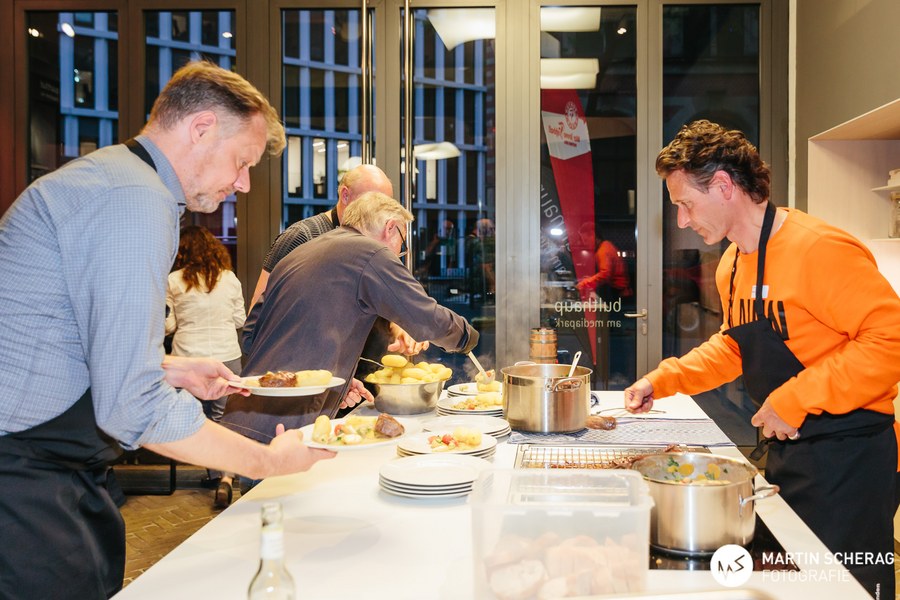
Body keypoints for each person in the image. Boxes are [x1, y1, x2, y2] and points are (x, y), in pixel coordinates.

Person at [0, 61, 336, 600]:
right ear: (201, 128)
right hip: (23, 468)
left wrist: (171, 367)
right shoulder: (134, 199)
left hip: (48, 458)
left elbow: (65, 333)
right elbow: (132, 408)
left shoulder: (116, 179)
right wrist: (270, 462)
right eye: (242, 162)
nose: (244, 184)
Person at [623, 119, 900, 597]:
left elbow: (890, 339)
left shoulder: (819, 249)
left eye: (686, 204)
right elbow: (735, 345)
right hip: (791, 449)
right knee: (794, 583)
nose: (682, 221)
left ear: (724, 186)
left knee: (846, 589)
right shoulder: (732, 263)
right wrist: (663, 380)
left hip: (851, 455)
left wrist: (795, 399)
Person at [222, 191, 479, 442]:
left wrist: (335, 381)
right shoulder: (371, 253)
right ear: (390, 228)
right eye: (402, 244)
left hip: (242, 415)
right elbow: (427, 318)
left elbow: (250, 336)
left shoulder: (297, 255)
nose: (399, 255)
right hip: (285, 429)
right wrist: (467, 338)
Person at [249, 163, 426, 397]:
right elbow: (258, 322)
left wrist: (399, 326)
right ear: (345, 195)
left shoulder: (375, 244)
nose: (383, 215)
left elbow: (377, 299)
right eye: (374, 201)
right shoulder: (302, 237)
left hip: (361, 380)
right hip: (312, 387)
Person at [165, 224, 246, 508]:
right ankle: (225, 477)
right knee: (225, 417)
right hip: (227, 355)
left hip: (189, 358)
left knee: (196, 417)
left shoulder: (174, 281)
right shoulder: (230, 279)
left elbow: (168, 325)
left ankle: (214, 472)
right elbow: (240, 319)